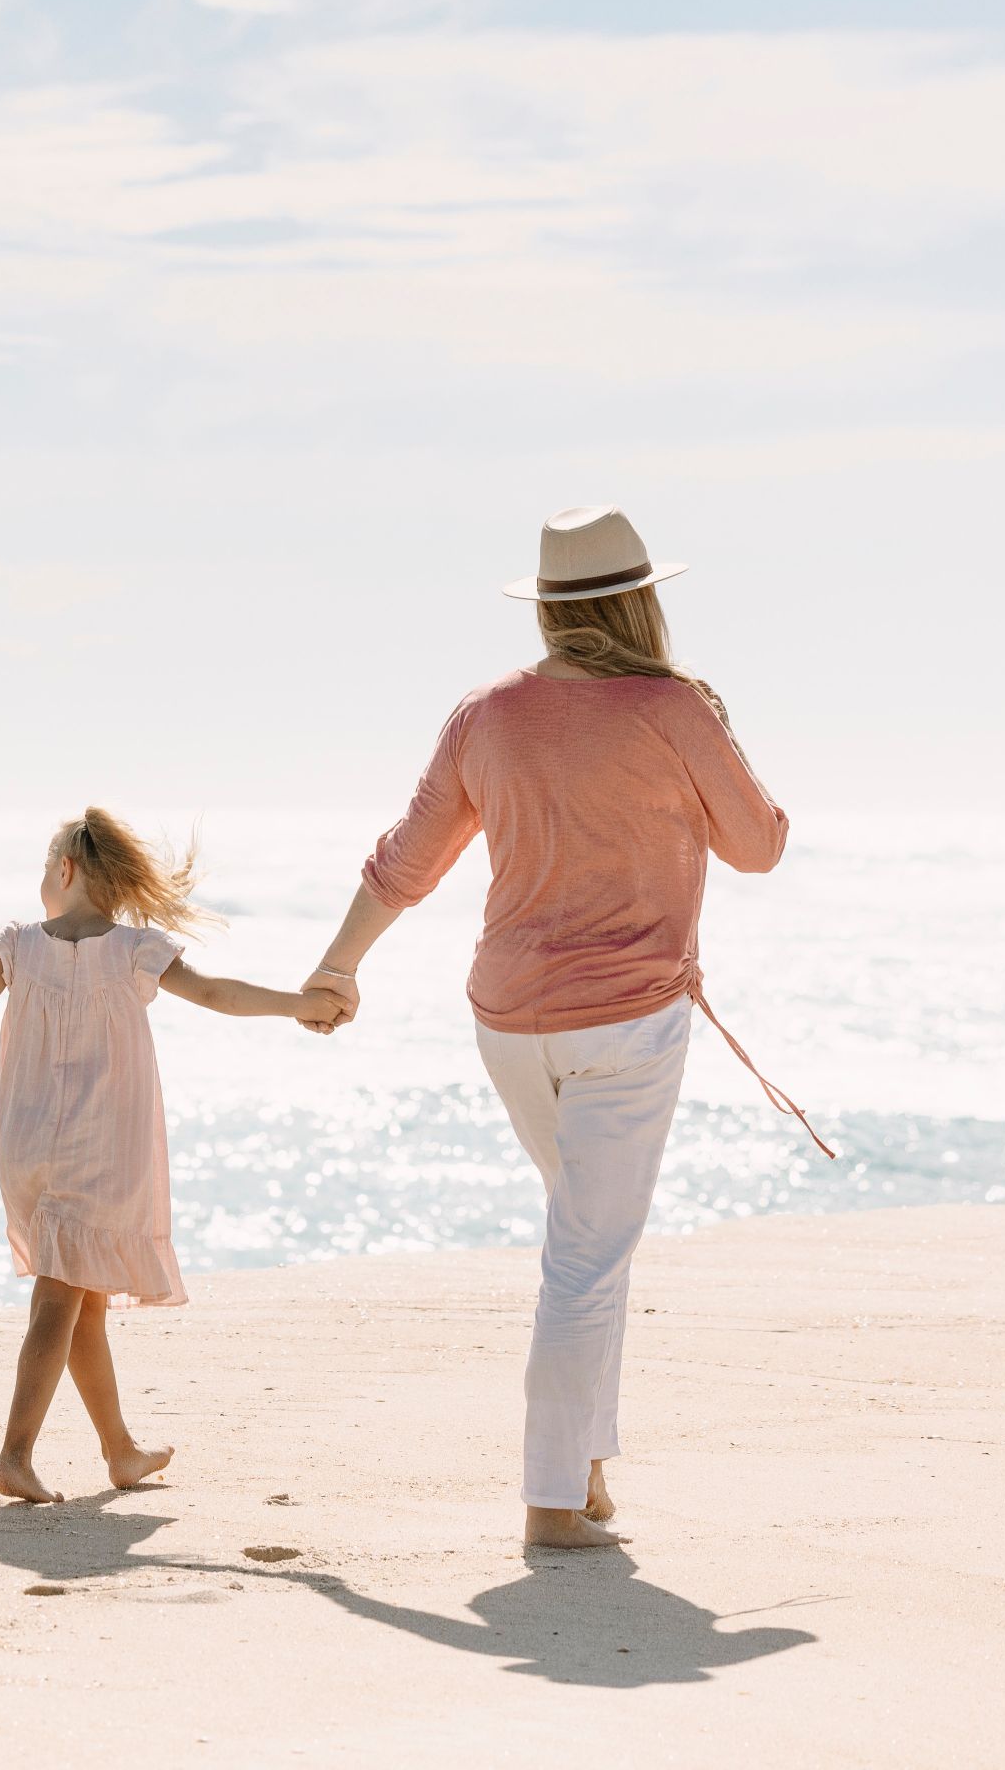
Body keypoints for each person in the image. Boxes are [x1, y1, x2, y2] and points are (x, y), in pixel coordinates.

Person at [299, 506, 788, 1550]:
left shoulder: (486, 714)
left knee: (584, 1233)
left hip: (507, 1020)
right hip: (628, 1019)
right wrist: (711, 721)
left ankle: (587, 1464)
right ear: (638, 597)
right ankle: (551, 1501)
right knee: (585, 1253)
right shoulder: (670, 706)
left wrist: (340, 962)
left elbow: (406, 857)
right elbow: (757, 845)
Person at [0, 809, 350, 1504]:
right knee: (60, 1294)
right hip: (99, 1146)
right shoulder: (134, 949)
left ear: (64, 870)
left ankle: (120, 1450)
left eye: (45, 867)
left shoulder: (16, 946)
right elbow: (220, 994)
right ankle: (15, 1453)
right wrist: (300, 1004)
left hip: (26, 1145)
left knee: (81, 1297)